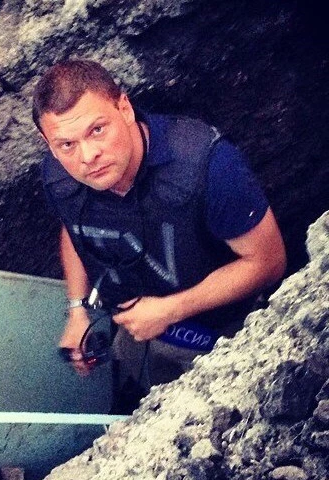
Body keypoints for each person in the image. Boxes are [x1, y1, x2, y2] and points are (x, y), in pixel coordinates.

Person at [31, 59, 286, 413]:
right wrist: (77, 310)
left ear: (124, 108)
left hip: (213, 337)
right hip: (133, 329)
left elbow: (269, 261)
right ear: (48, 143)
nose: (88, 156)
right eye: (66, 145)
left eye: (97, 130)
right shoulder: (62, 175)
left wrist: (169, 310)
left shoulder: (208, 167)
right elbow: (74, 226)